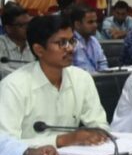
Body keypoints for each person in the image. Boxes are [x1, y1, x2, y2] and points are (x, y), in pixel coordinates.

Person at [0, 15, 110, 147]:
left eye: (72, 41)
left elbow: (100, 125)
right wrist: (62, 140)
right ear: (39, 50)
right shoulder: (13, 86)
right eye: (62, 43)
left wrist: (97, 135)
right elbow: (5, 145)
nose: (70, 48)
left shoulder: (82, 78)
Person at [70, 4, 109, 73]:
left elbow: (103, 63)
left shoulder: (94, 40)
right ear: (77, 24)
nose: (95, 25)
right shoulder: (70, 42)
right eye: (90, 22)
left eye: (96, 21)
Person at [0, 5, 34, 79]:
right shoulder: (1, 44)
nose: (28, 28)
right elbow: (2, 71)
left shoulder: (35, 44)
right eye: (22, 25)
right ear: (8, 28)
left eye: (29, 23)